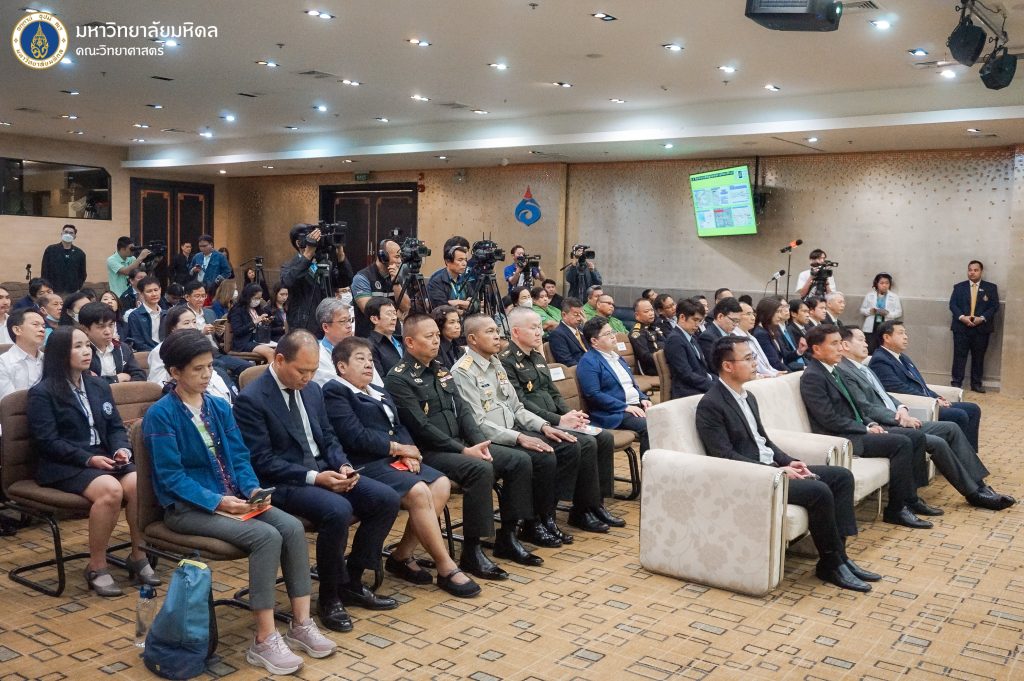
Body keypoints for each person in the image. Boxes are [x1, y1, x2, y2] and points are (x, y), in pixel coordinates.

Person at [143, 330, 336, 673]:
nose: (207, 375)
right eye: (197, 369)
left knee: (291, 527)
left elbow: (241, 457)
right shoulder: (161, 415)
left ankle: (301, 623)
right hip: (187, 509)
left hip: (233, 500)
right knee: (266, 536)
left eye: (209, 366)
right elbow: (172, 477)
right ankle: (264, 638)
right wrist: (219, 502)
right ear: (174, 372)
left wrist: (250, 491)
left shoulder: (218, 406)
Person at [234, 330, 401, 633]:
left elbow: (329, 436)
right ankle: (330, 595)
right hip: (285, 481)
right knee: (337, 510)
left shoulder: (312, 390)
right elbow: (262, 460)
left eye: (313, 370)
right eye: (302, 370)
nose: (308, 377)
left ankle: (352, 579)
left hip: (324, 468)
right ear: (280, 360)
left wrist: (343, 465)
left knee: (385, 499)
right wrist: (315, 478)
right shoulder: (252, 399)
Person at [696, 335, 877, 592]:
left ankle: (841, 557)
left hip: (773, 469)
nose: (755, 363)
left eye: (753, 357)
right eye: (748, 358)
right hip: (753, 477)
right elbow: (724, 455)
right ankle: (830, 563)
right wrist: (776, 471)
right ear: (727, 366)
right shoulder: (711, 404)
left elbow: (764, 442)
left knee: (841, 476)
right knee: (818, 491)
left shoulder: (748, 396)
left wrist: (790, 461)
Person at [323, 337, 480, 597]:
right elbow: (354, 435)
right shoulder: (335, 391)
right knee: (418, 491)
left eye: (370, 359)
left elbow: (399, 426)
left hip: (392, 459)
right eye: (360, 359)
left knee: (440, 484)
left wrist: (410, 452)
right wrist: (397, 449)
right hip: (364, 462)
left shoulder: (378, 390)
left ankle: (402, 555)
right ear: (341, 366)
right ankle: (446, 567)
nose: (368, 365)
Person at [386, 313, 538, 577]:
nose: (436, 341)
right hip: (429, 453)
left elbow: (464, 411)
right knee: (479, 469)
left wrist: (480, 442)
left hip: (460, 445)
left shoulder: (441, 369)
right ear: (409, 342)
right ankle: (472, 549)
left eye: (437, 335)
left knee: (519, 460)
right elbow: (421, 426)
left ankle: (508, 536)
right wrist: (464, 450)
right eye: (429, 336)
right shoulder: (399, 378)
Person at [28, 326, 158, 597]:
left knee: (138, 483)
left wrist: (122, 450)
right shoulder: (42, 392)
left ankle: (138, 555)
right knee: (111, 490)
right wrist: (88, 459)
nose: (86, 351)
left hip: (102, 457)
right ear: (60, 353)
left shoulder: (98, 385)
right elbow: (47, 442)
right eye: (77, 346)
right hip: (63, 463)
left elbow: (114, 427)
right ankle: (97, 566)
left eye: (87, 345)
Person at [838, 327, 1013, 511]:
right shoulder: (846, 371)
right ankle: (973, 493)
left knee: (951, 427)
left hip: (897, 416)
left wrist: (902, 408)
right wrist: (899, 418)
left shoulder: (864, 368)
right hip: (884, 424)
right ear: (846, 345)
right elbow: (865, 406)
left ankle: (980, 485)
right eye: (860, 339)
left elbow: (885, 395)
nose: (866, 343)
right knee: (937, 441)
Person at [452, 314, 581, 549]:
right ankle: (523, 526)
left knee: (566, 445)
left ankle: (545, 515)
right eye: (489, 332)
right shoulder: (463, 371)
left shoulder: (496, 363)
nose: (497, 336)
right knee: (536, 457)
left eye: (497, 331)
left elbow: (517, 407)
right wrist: (520, 437)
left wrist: (544, 426)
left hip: (512, 429)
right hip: (488, 438)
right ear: (472, 339)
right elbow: (477, 423)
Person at [799, 325, 935, 529]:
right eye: (834, 344)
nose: (840, 348)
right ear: (817, 349)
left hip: (856, 429)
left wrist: (870, 422)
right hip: (840, 437)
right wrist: (865, 429)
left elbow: (855, 406)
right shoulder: (813, 376)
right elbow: (828, 419)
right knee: (901, 443)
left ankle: (911, 499)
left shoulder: (833, 370)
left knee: (914, 437)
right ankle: (896, 509)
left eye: (840, 343)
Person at [501, 307, 622, 531]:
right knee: (584, 444)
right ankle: (575, 509)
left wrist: (570, 414)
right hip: (535, 423)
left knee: (604, 437)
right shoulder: (506, 362)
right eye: (533, 328)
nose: (539, 332)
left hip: (557, 418)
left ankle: (595, 503)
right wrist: (558, 419)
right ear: (516, 332)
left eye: (540, 327)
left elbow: (553, 392)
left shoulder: (537, 357)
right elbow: (520, 403)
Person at [870, 320, 983, 452]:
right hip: (913, 405)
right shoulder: (880, 360)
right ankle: (958, 455)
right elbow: (898, 388)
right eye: (900, 333)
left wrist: (938, 397)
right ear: (887, 337)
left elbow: (921, 384)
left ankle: (969, 453)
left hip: (928, 400)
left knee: (973, 409)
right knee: (959, 415)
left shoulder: (902, 357)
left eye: (905, 333)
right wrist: (932, 400)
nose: (906, 337)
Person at [577, 317, 651, 454]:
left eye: (612, 332)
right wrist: (625, 407)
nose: (613, 336)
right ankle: (649, 465)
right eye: (607, 334)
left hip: (635, 406)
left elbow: (631, 384)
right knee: (650, 426)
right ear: (594, 341)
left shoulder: (616, 356)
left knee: (666, 418)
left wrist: (643, 398)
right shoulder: (589, 361)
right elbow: (593, 394)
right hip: (615, 413)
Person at [148, 306, 235, 403]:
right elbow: (157, 384)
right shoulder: (160, 350)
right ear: (173, 328)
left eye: (194, 322)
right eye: (186, 323)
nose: (192, 327)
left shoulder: (199, 348)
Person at [182, 280, 252, 382]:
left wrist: (219, 332)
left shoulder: (209, 313)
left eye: (203, 296)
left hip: (216, 352)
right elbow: (181, 339)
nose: (201, 299)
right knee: (222, 370)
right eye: (197, 296)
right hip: (197, 355)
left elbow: (216, 337)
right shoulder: (181, 314)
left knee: (248, 367)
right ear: (187, 297)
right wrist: (201, 333)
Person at [949, 260, 998, 392]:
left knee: (979, 357)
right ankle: (956, 384)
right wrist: (962, 317)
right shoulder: (959, 287)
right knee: (959, 356)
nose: (972, 272)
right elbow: (953, 305)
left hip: (981, 329)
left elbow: (994, 306)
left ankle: (976, 384)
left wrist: (981, 318)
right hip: (961, 328)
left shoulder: (991, 288)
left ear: (981, 271)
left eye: (975, 270)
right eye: (970, 270)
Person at [313, 297, 382, 388]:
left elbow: (378, 386)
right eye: (343, 321)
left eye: (350, 320)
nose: (349, 326)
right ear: (326, 327)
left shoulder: (361, 350)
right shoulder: (318, 357)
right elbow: (336, 388)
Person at [351, 237, 409, 338]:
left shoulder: (397, 277)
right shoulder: (362, 278)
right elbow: (369, 310)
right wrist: (397, 313)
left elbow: (406, 308)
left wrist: (396, 283)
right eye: (396, 257)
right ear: (383, 257)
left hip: (394, 337)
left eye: (400, 257)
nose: (400, 261)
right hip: (369, 338)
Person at [79, 302, 146, 384]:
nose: (108, 332)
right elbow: (84, 382)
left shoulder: (122, 348)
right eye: (101, 327)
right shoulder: (81, 353)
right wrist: (115, 379)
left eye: (111, 325)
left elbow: (140, 375)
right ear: (85, 329)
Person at [280, 225, 327, 335]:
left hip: (324, 320)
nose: (315, 241)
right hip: (302, 325)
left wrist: (340, 254)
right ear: (298, 243)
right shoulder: (289, 266)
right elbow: (288, 282)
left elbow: (344, 281)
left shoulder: (323, 262)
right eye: (311, 237)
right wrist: (308, 255)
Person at [664, 298, 714, 399]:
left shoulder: (691, 337)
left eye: (699, 321)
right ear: (682, 317)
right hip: (687, 391)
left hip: (699, 385)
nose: (697, 325)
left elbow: (703, 368)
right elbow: (686, 374)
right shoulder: (675, 340)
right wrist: (713, 385)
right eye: (695, 320)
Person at [0, 308, 47, 399]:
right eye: (35, 325)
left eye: (43, 326)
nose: (42, 329)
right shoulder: (3, 363)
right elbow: (9, 402)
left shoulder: (49, 359)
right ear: (17, 330)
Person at [753, 297, 805, 373]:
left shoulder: (773, 330)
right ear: (767, 312)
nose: (780, 316)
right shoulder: (761, 334)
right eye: (777, 312)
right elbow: (774, 363)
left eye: (780, 312)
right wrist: (790, 374)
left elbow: (785, 357)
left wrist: (799, 351)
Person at [228, 283, 276, 364]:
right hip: (244, 342)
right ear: (248, 296)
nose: (257, 301)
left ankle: (265, 369)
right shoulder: (237, 310)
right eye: (255, 298)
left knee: (279, 351)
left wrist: (265, 322)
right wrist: (254, 322)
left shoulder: (257, 309)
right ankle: (269, 371)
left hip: (259, 339)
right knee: (270, 353)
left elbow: (261, 324)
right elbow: (238, 331)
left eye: (259, 298)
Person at [732, 300, 779, 378]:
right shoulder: (735, 338)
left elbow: (764, 364)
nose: (753, 318)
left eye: (753, 314)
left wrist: (774, 373)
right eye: (748, 314)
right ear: (736, 316)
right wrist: (771, 375)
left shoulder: (752, 337)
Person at [859, 273, 902, 352]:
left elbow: (899, 312)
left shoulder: (894, 297)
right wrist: (870, 311)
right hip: (871, 328)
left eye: (887, 283)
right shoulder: (869, 295)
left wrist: (888, 314)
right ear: (876, 283)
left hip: (886, 326)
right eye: (882, 283)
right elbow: (862, 310)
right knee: (870, 349)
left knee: (885, 350)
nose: (884, 285)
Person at [40, 224, 87, 295]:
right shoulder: (51, 250)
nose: (68, 234)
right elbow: (44, 271)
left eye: (71, 233)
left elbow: (82, 274)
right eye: (66, 232)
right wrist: (47, 288)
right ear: (61, 234)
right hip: (53, 290)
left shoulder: (80, 253)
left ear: (75, 236)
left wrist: (78, 288)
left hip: (72, 291)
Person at [125, 276, 165, 352]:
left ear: (160, 290)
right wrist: (156, 353)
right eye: (149, 291)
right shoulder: (135, 316)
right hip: (147, 354)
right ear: (142, 294)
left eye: (156, 290)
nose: (154, 294)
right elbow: (138, 342)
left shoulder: (167, 314)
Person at [427, 243, 470, 312]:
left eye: (465, 260)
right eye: (460, 260)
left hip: (465, 317)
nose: (464, 263)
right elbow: (441, 308)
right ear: (448, 261)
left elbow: (476, 304)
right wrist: (465, 305)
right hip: (445, 318)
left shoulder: (464, 279)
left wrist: (459, 302)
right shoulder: (436, 281)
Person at [366, 297, 404, 377]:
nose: (394, 318)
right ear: (374, 319)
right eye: (389, 314)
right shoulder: (368, 346)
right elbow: (380, 379)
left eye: (394, 313)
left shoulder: (403, 340)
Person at [629, 297, 665, 377]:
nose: (651, 313)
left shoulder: (654, 328)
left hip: (664, 365)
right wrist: (666, 358)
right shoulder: (637, 333)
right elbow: (646, 357)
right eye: (646, 311)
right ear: (637, 315)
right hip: (653, 370)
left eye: (652, 310)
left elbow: (666, 344)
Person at [698, 297, 741, 363]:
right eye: (734, 320)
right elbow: (715, 365)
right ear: (720, 316)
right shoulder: (707, 337)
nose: (736, 325)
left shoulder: (732, 335)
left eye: (738, 321)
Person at [548, 297, 588, 367]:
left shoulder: (582, 329)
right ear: (564, 315)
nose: (580, 318)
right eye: (576, 315)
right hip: (579, 369)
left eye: (581, 314)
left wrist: (587, 326)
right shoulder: (557, 334)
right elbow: (566, 361)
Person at [432, 305, 463, 369]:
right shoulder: (435, 349)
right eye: (452, 322)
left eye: (458, 321)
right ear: (440, 325)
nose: (457, 326)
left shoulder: (457, 346)